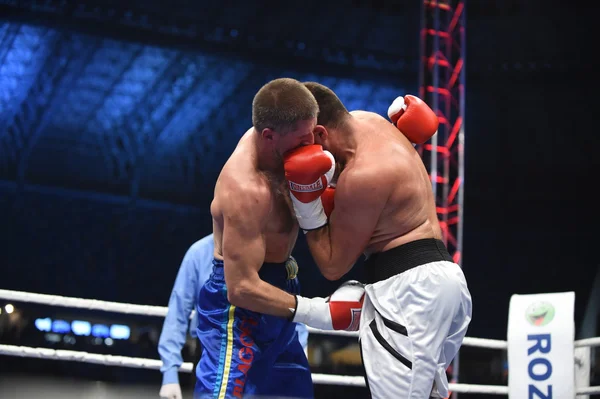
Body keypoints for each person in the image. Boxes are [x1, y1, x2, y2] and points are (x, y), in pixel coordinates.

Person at [283, 82, 473, 399]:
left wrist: (306, 206)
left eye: (302, 146)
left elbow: (333, 265)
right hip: (443, 282)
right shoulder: (369, 121)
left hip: (409, 296)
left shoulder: (362, 175)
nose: (303, 155)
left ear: (319, 133)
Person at [194, 78, 364, 399]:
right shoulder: (245, 189)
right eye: (303, 140)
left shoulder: (287, 129)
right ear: (269, 136)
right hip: (239, 309)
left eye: (313, 133)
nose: (312, 144)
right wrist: (319, 313)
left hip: (284, 288)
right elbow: (241, 287)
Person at [158, 233, 310, 399]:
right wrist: (169, 374)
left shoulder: (271, 252)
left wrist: (299, 351)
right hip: (210, 352)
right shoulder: (198, 253)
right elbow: (178, 312)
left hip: (263, 353)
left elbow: (289, 303)